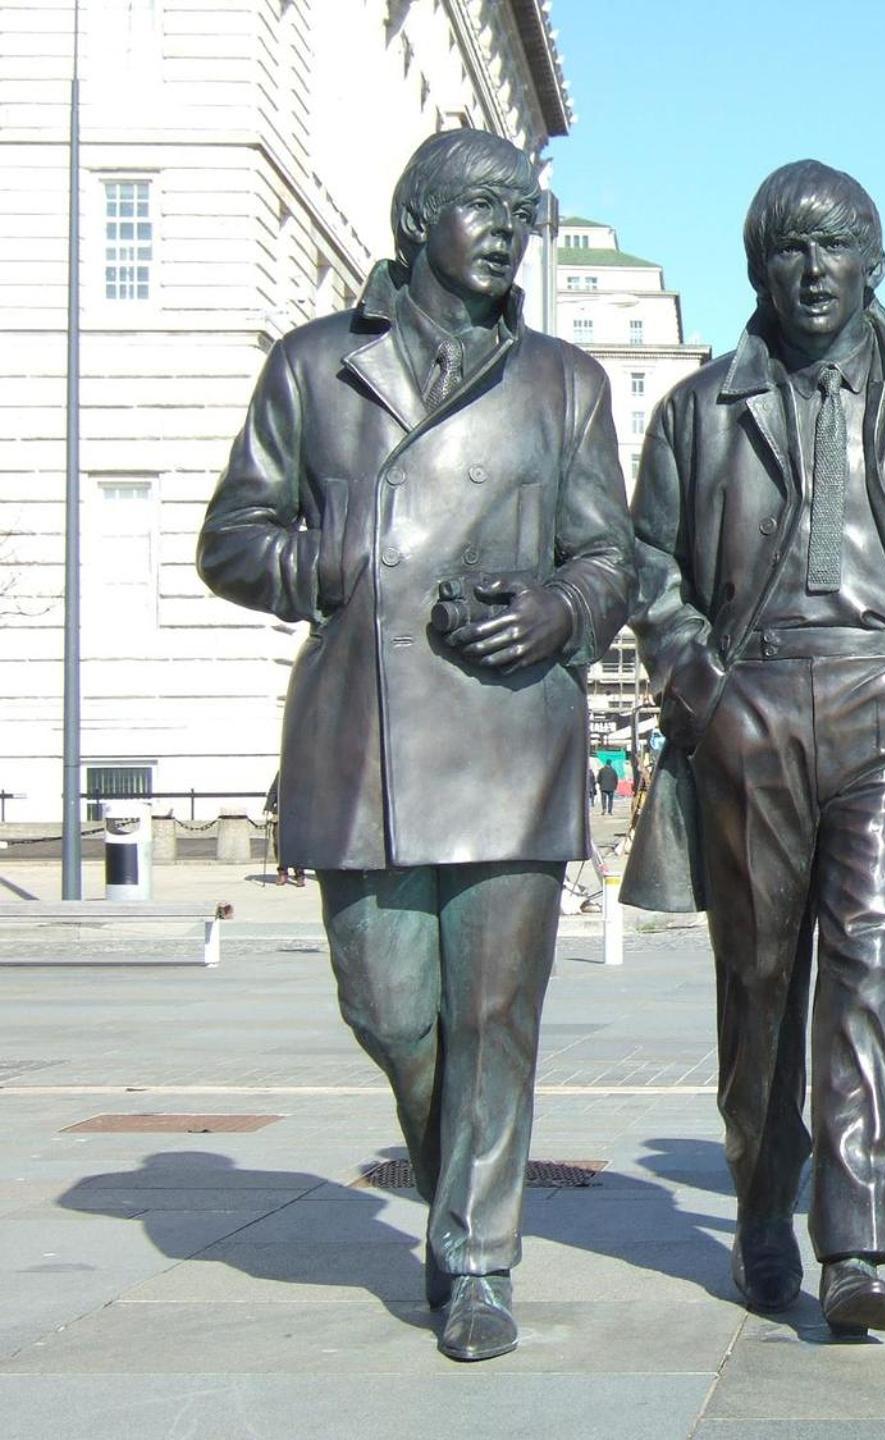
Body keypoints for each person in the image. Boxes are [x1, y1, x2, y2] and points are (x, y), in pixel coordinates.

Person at [198, 129, 634, 1362]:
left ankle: (478, 1258)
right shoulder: (315, 366)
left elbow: (613, 557)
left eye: (520, 212)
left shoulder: (565, 382)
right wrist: (330, 562)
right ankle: (458, 1198)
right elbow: (232, 540)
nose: (505, 230)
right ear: (416, 221)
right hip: (366, 740)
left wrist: (560, 609)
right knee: (391, 1008)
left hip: (511, 733)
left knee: (495, 1015)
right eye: (480, 207)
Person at [620, 160, 885, 1336]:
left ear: (874, 263)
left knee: (871, 979)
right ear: (757, 267)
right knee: (759, 986)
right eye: (788, 247)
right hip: (752, 715)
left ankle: (855, 1245)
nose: (811, 267)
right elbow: (651, 570)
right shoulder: (699, 411)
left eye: (834, 244)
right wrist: (706, 693)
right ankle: (757, 1203)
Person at [263, 771, 305, 886]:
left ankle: (300, 873)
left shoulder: (306, 771)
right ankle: (282, 872)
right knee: (278, 843)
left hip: (298, 814)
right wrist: (268, 806)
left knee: (297, 845)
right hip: (281, 812)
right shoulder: (282, 772)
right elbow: (273, 790)